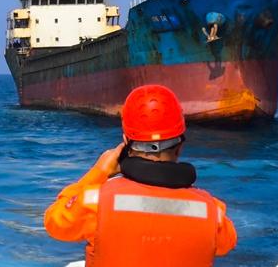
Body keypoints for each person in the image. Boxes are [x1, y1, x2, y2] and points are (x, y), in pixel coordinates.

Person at [44, 84, 237, 266]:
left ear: (126, 142)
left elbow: (55, 222)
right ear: (180, 146)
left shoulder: (96, 202)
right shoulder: (212, 213)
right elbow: (227, 243)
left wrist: (99, 172)